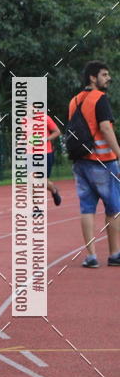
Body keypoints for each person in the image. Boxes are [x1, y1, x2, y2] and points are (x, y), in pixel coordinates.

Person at [68, 60, 120, 267]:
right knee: (113, 208)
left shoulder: (74, 100)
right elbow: (105, 128)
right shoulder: (100, 98)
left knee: (87, 208)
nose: (108, 78)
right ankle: (114, 254)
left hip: (80, 161)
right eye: (104, 75)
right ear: (93, 77)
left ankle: (91, 256)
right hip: (103, 162)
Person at [45, 114, 62, 206]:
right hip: (29, 154)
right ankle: (36, 207)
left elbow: (57, 132)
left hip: (45, 153)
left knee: (41, 181)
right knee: (32, 180)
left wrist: (46, 139)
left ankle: (53, 190)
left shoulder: (45, 118)